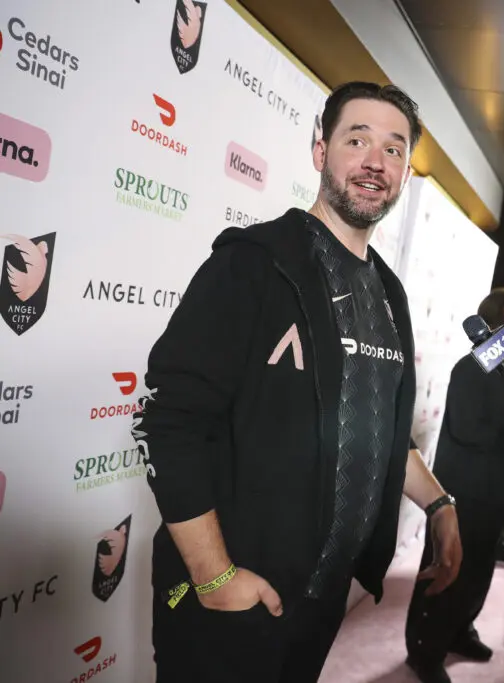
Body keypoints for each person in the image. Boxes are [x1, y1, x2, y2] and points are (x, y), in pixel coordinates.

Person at [133, 82, 463, 683]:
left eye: (393, 149)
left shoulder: (389, 295)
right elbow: (168, 420)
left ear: (406, 172)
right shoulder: (253, 262)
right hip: (231, 597)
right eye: (356, 139)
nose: (374, 161)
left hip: (319, 604)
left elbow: (382, 433)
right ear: (319, 151)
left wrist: (438, 504)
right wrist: (214, 575)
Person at [405, 287, 504, 683]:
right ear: (495, 329)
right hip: (463, 493)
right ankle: (424, 650)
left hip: (495, 492)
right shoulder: (472, 369)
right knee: (449, 570)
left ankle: (459, 631)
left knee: (479, 571)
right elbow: (470, 430)